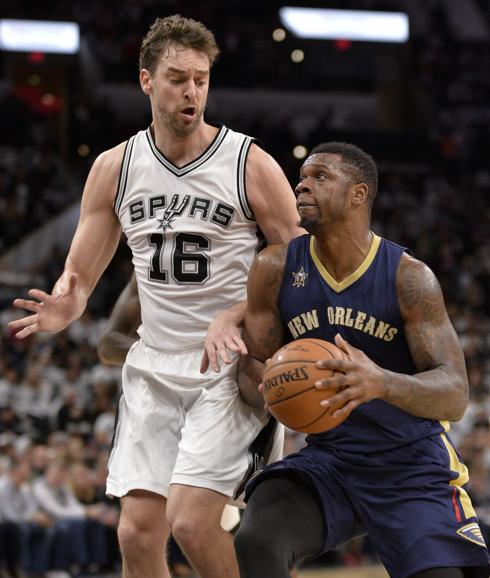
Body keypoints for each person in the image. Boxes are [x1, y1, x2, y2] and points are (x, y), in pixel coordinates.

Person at [9, 14, 303, 578]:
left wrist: (237, 313)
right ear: (146, 80)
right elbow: (79, 275)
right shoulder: (116, 168)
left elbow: (300, 262)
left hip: (228, 364)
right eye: (177, 78)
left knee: (193, 524)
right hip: (154, 366)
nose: (191, 91)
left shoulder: (249, 162)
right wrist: (63, 307)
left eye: (200, 78)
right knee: (138, 535)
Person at [234, 142, 490, 578]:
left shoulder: (409, 278)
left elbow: (455, 394)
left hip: (409, 466)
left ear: (358, 194)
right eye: (302, 176)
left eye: (320, 177)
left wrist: (380, 382)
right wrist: (270, 386)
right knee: (258, 536)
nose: (302, 184)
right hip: (330, 461)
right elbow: (250, 367)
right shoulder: (274, 268)